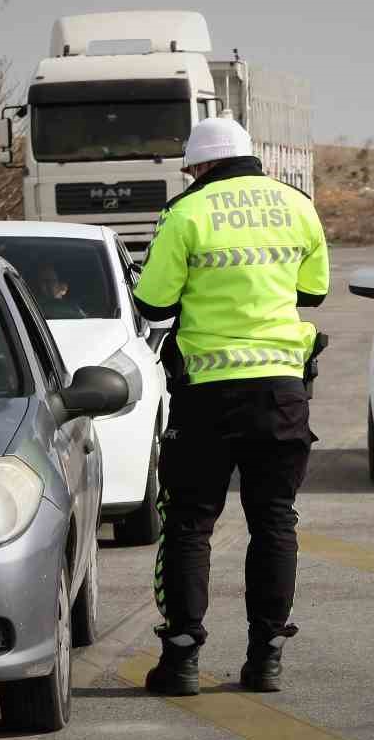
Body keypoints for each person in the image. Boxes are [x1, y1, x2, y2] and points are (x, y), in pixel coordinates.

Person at [132, 117, 329, 696]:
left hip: (206, 397)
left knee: (189, 526)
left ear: (198, 165)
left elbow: (153, 302)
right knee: (274, 521)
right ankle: (266, 657)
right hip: (281, 393)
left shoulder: (185, 214)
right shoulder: (297, 206)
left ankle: (182, 659)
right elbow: (312, 292)